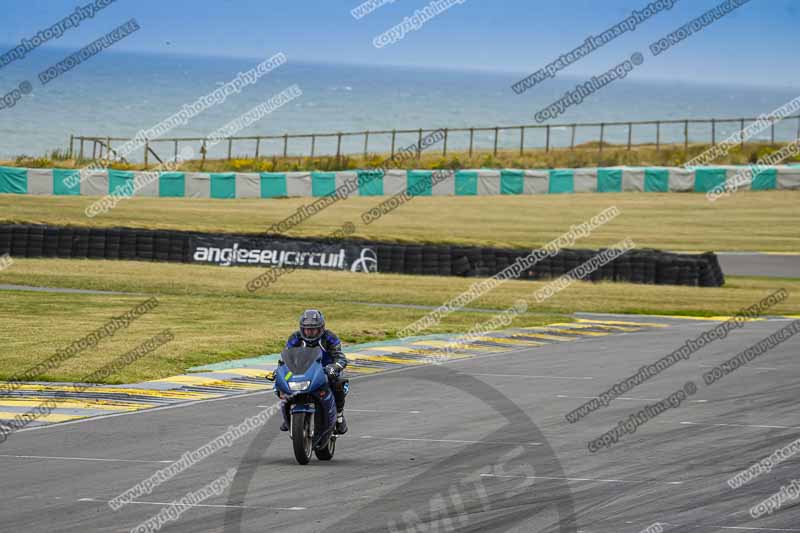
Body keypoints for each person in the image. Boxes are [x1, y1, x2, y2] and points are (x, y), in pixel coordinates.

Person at [278, 309, 348, 434]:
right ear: (301, 328)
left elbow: (340, 357)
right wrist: (280, 369)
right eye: (307, 329)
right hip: (301, 370)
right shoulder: (295, 338)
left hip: (326, 370)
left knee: (338, 382)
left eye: (313, 329)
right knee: (279, 384)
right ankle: (288, 413)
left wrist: (335, 366)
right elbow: (286, 357)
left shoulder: (330, 337)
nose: (310, 332)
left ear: (321, 328)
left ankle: (339, 416)